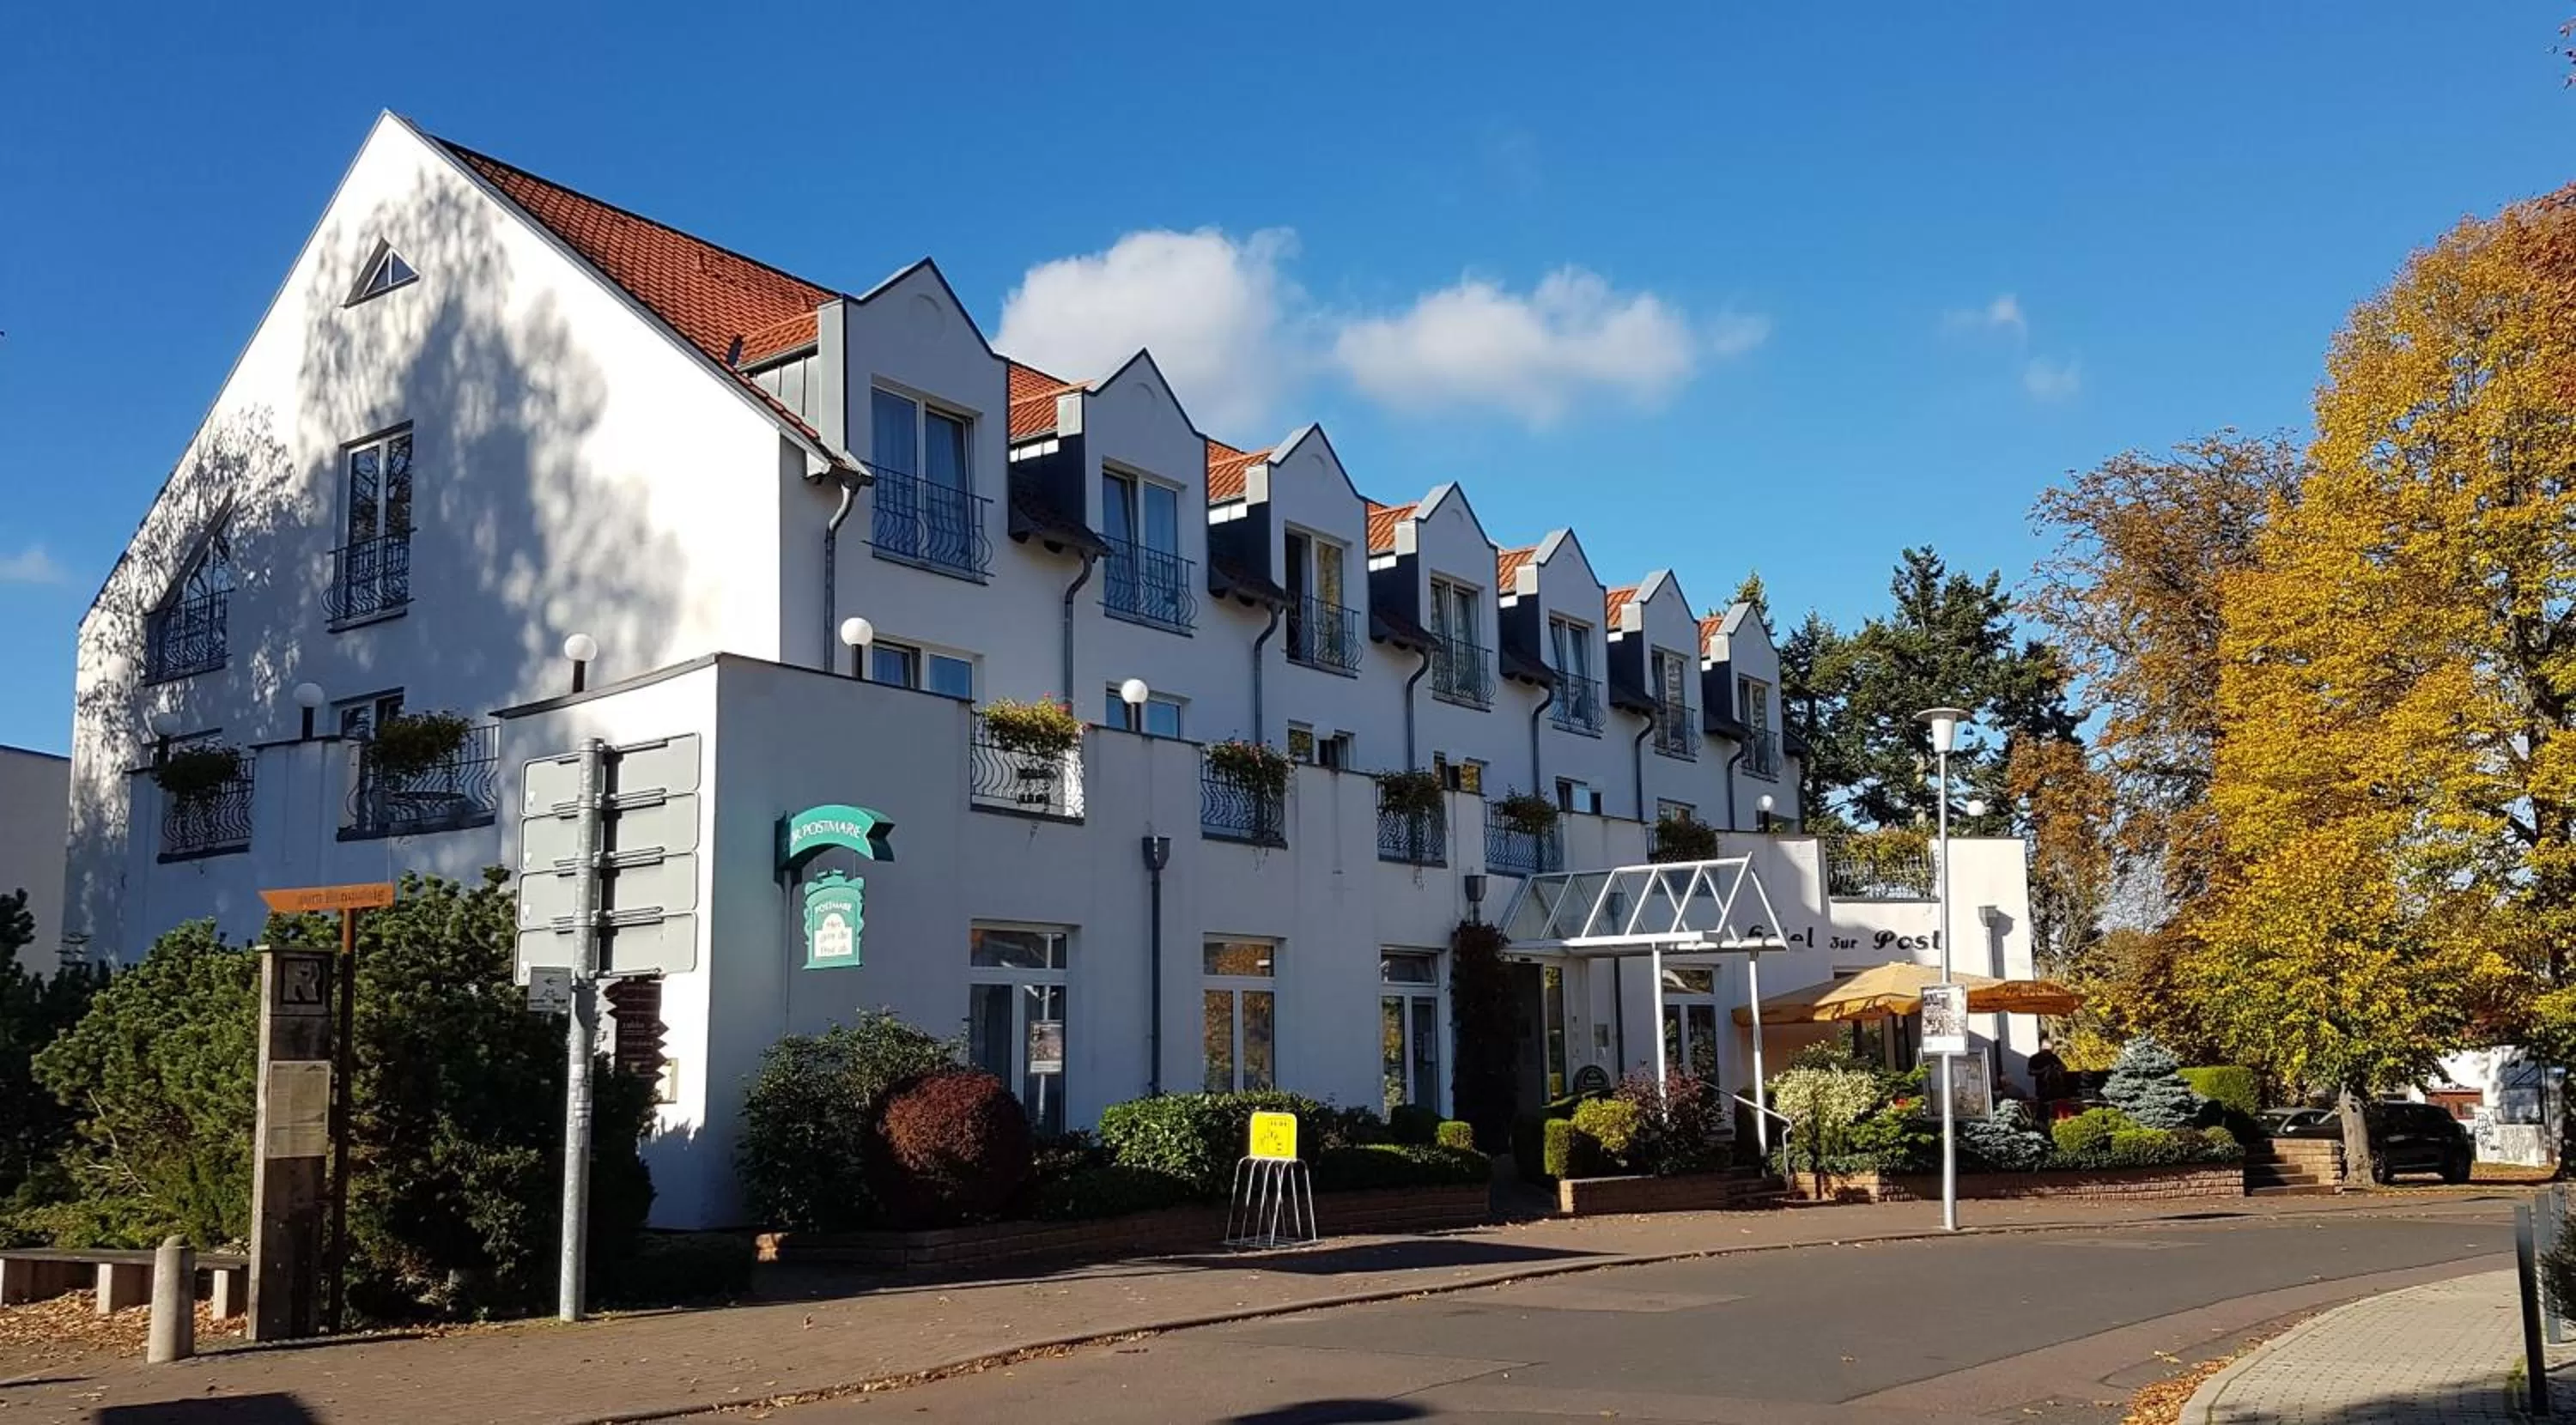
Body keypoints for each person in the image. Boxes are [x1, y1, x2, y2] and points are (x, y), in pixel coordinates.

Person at [2027, 1037, 2070, 1107]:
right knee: (2044, 1107)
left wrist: (2057, 1068)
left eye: (2050, 1051)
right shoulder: (2034, 1058)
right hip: (2042, 1088)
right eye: (2046, 1051)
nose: (2048, 1053)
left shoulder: (2054, 1057)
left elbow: (2064, 1068)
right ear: (2041, 1048)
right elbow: (2030, 1072)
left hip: (2056, 1089)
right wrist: (2043, 1070)